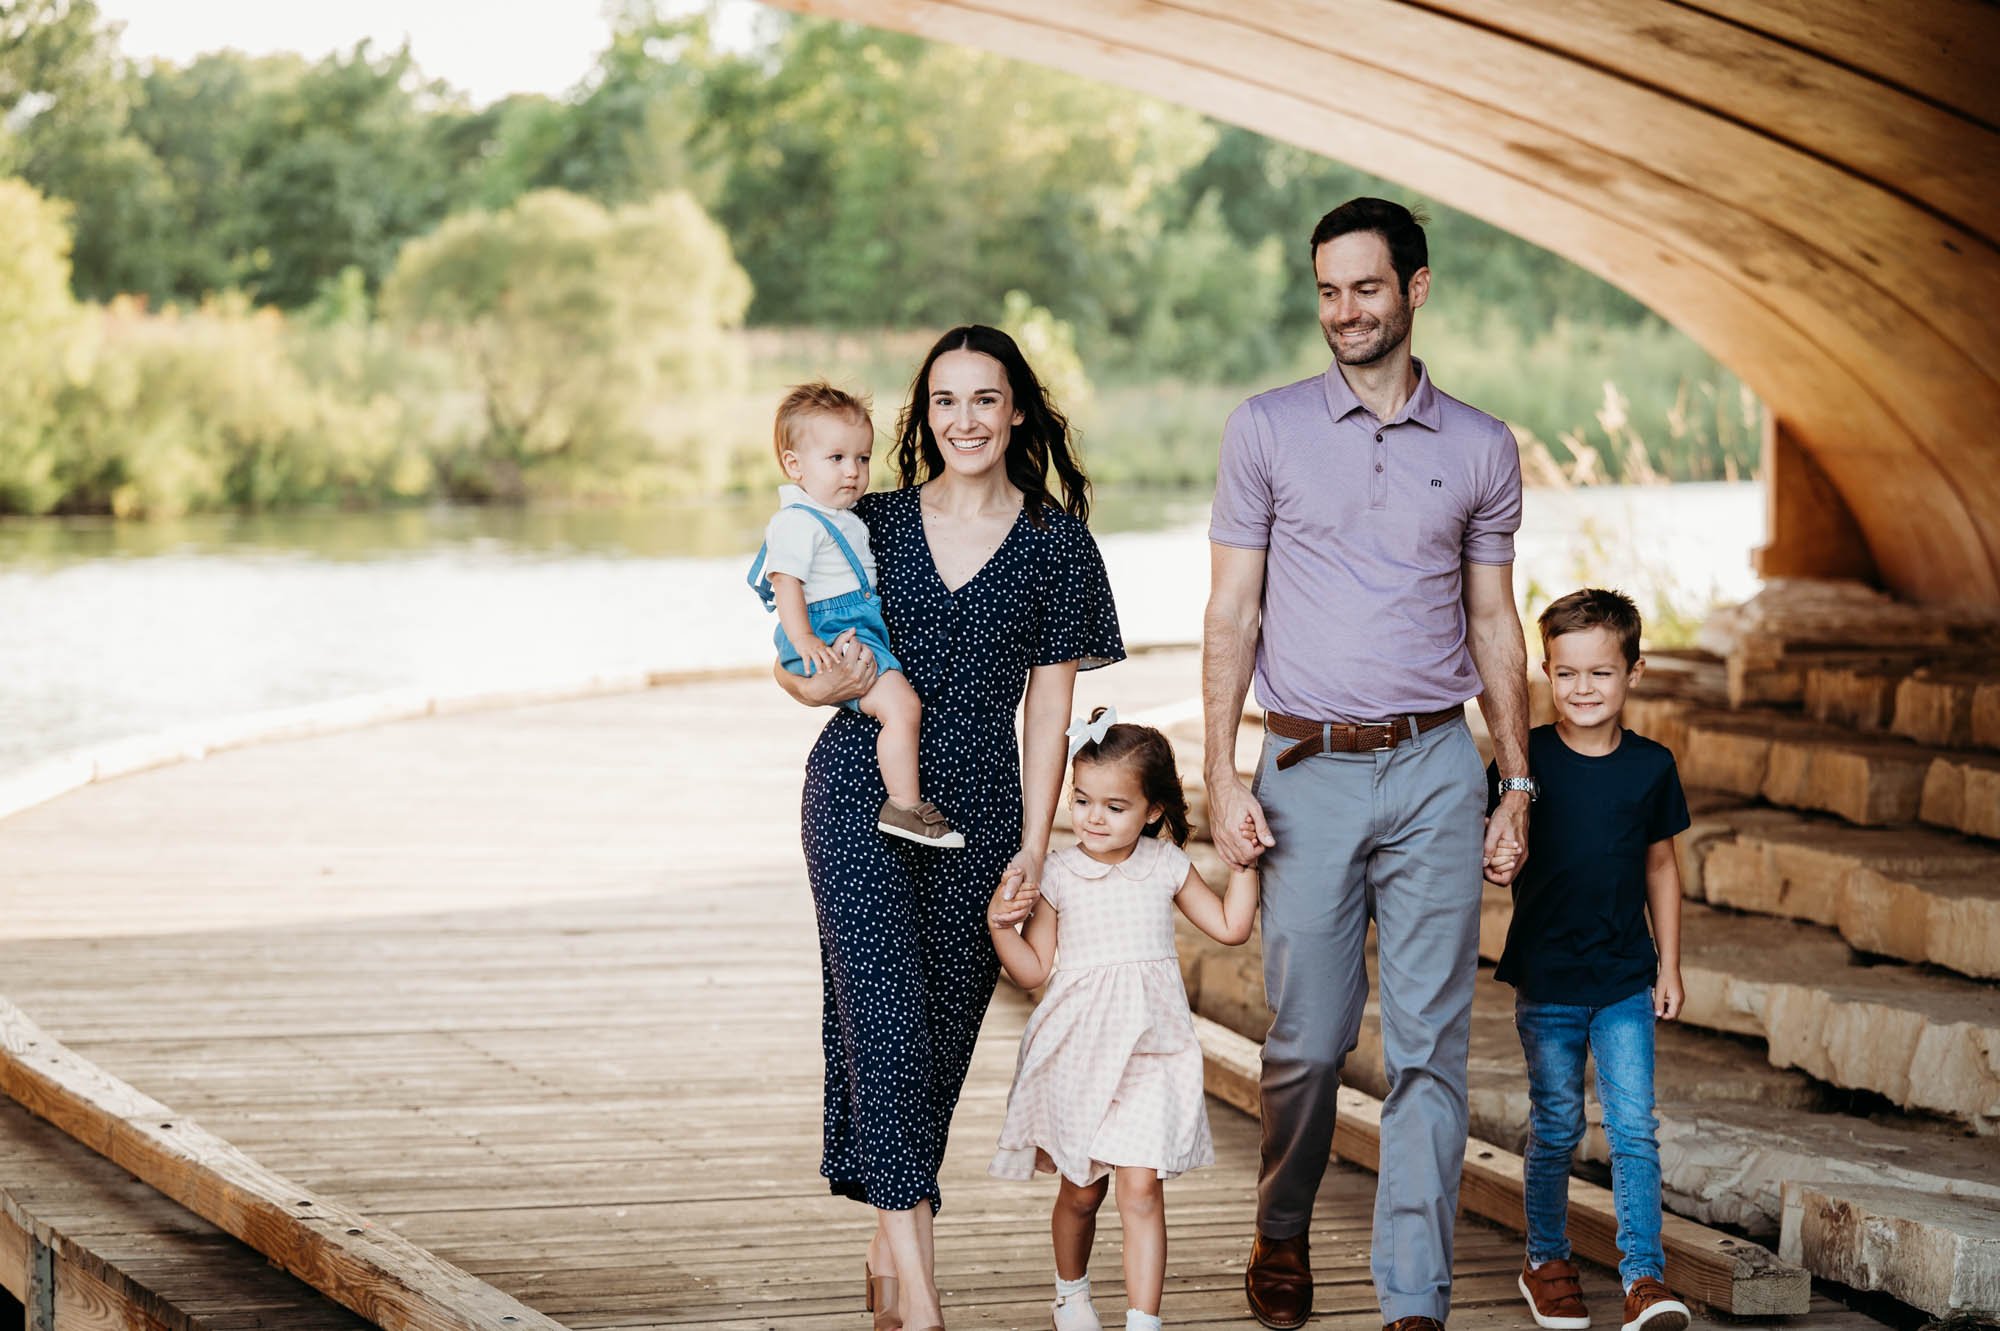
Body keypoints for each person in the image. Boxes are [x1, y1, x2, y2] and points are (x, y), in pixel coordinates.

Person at [1202, 196, 1533, 1331]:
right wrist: (1217, 773)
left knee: (1432, 1046)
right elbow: (1229, 611)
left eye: (1365, 288)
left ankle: (1412, 1299)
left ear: (1415, 288)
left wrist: (1517, 779)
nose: (1343, 311)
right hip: (1305, 767)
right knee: (1303, 1039)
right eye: (1327, 291)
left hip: (1438, 764)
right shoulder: (1263, 428)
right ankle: (1281, 1222)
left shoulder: (1482, 446)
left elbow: (1495, 623)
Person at [771, 325, 1124, 1331]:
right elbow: (791, 649)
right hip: (856, 790)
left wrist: (1033, 841)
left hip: (981, 811)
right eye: (943, 400)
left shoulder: (1056, 542)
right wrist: (810, 686)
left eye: (983, 398)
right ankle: (924, 1306)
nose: (962, 419)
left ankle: (889, 1255)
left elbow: (1048, 713)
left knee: (929, 1051)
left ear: (1016, 410)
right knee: (881, 1023)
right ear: (921, 417)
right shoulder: (866, 516)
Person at [986, 707, 1260, 1331]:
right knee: (1082, 1193)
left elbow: (1230, 927)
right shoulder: (1058, 872)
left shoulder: (1164, 867)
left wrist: (1244, 867)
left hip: (1150, 1051)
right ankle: (1071, 1294)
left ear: (1153, 811)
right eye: (1082, 801)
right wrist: (1003, 926)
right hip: (1077, 1051)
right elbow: (1031, 970)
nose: (1093, 818)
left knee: (1141, 1189)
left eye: (1114, 806)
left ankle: (1144, 1320)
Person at [1483, 589, 1691, 1331]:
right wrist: (1498, 861)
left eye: (1601, 673)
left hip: (1625, 979)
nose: (1583, 689)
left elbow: (1662, 868)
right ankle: (1547, 1259)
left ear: (1635, 670)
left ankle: (1643, 1278)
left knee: (1635, 1127)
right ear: (1545, 671)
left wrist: (1669, 964)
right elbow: (1499, 847)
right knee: (1558, 1123)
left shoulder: (1652, 766)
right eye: (1566, 673)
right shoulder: (1523, 759)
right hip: (1547, 983)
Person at [749, 381, 964, 847]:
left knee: (898, 705)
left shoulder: (843, 514)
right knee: (901, 706)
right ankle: (904, 805)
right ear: (794, 465)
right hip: (829, 626)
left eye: (863, 459)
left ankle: (903, 803)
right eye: (837, 459)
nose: (853, 472)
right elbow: (786, 582)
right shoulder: (797, 520)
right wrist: (805, 639)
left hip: (848, 621)